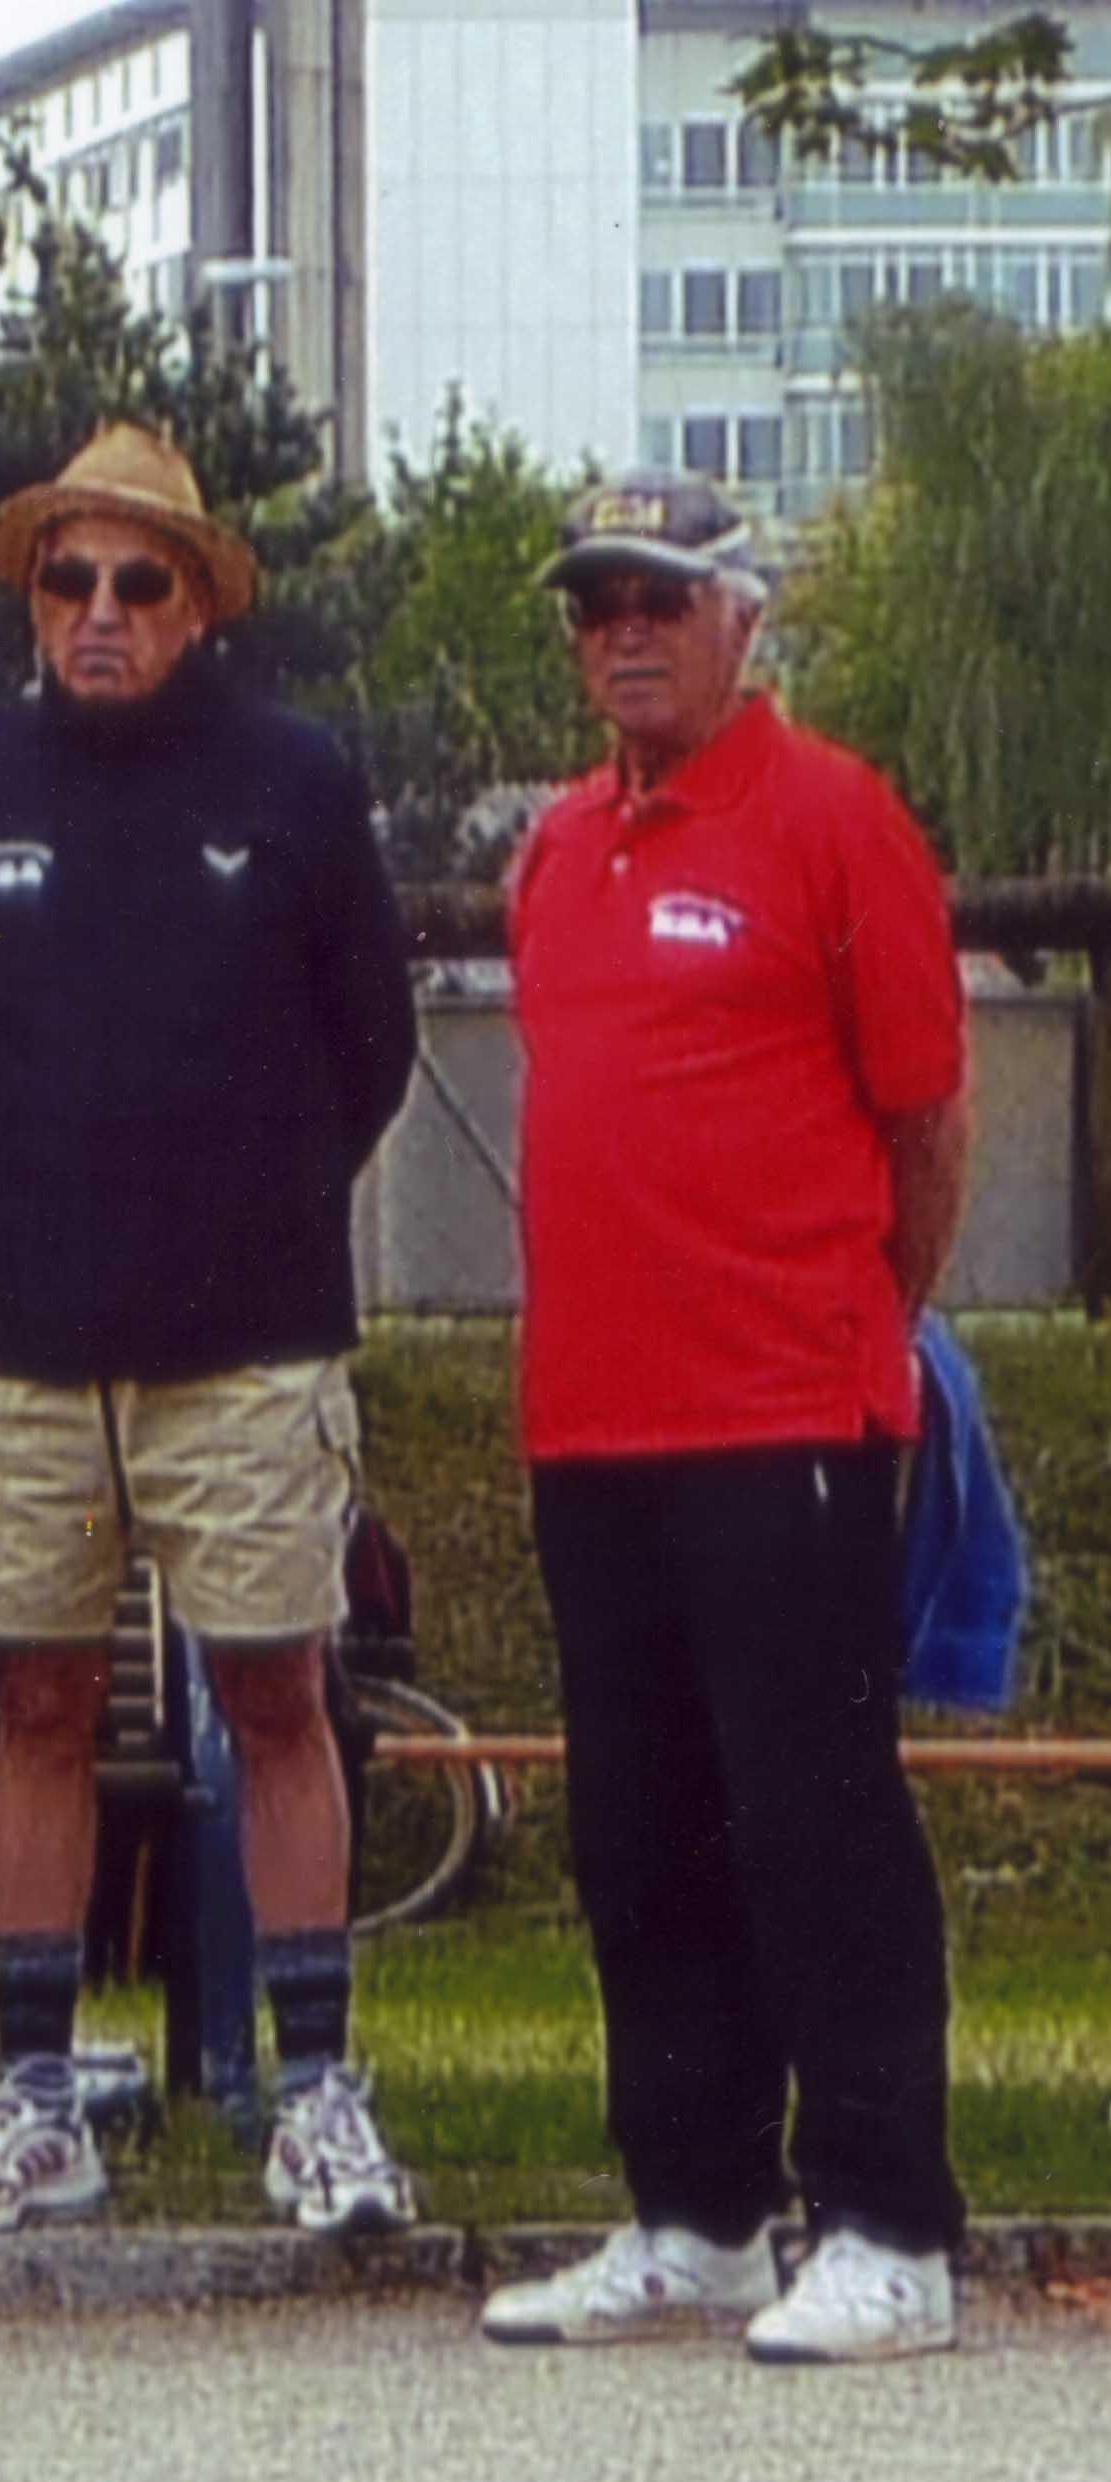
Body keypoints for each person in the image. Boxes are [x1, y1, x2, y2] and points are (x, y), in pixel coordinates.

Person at [0, 420, 425, 2238]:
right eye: (68, 579)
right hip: (12, 1339)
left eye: (139, 582)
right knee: (36, 1701)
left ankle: (317, 2093)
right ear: (33, 598)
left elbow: (373, 1052)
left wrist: (245, 1208)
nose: (99, 612)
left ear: (198, 604)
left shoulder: (298, 784)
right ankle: (39, 2095)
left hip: (249, 1340)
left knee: (277, 1691)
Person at [479, 475, 974, 2365]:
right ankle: (695, 2210)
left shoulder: (835, 821)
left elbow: (927, 1118)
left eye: (662, 600)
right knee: (643, 1829)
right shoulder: (555, 848)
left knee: (817, 1818)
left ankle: (890, 2224)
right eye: (597, 602)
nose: (624, 631)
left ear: (739, 619)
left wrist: (867, 1322)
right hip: (594, 1422)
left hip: (790, 1408)